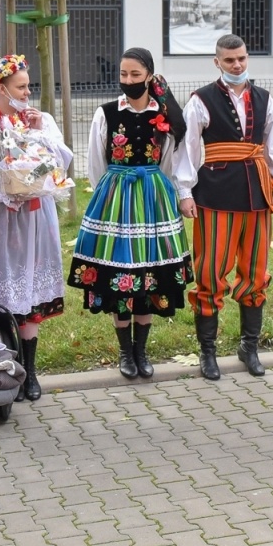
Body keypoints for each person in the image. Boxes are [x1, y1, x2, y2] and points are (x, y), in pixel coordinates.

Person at [173, 35, 273, 380]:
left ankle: (249, 347)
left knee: (255, 270)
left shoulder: (264, 99)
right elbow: (188, 149)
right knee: (211, 270)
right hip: (214, 195)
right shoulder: (200, 100)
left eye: (241, 58)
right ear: (217, 62)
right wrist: (185, 192)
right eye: (229, 61)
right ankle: (208, 352)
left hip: (256, 195)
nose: (237, 65)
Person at [0, 54, 72, 402]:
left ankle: (29, 372)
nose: (28, 92)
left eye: (30, 85)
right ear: (1, 88)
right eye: (21, 87)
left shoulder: (41, 119)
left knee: (29, 292)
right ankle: (0, 368)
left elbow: (61, 163)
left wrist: (39, 132)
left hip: (35, 219)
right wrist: (7, 192)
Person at [67, 47, 192, 380]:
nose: (129, 81)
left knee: (149, 271)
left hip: (152, 197)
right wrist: (109, 195)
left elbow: (170, 160)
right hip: (116, 197)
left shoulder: (164, 115)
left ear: (149, 75)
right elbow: (96, 163)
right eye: (123, 74)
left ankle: (142, 350)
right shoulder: (106, 113)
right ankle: (125, 351)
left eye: (135, 75)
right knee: (119, 272)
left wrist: (166, 191)